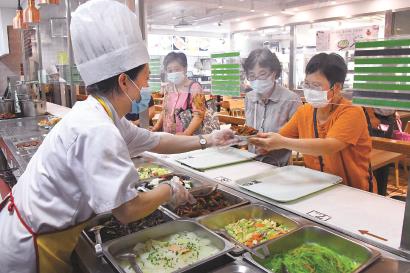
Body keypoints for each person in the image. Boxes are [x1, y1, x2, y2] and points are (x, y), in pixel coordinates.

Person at [0, 1, 236, 273]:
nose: (147, 86)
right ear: (124, 81)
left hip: (37, 230)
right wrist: (169, 189)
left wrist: (209, 140)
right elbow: (127, 211)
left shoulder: (100, 113)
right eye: (145, 78)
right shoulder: (98, 129)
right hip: (33, 247)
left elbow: (155, 140)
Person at [250, 53, 376, 192]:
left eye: (316, 86)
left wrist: (282, 142)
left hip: (352, 190)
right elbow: (279, 137)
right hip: (318, 186)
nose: (310, 90)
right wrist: (250, 140)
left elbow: (329, 146)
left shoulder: (352, 112)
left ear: (337, 87)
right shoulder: (305, 111)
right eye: (307, 84)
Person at [243, 48, 301, 166]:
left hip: (280, 165)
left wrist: (274, 145)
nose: (257, 80)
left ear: (274, 73)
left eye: (262, 74)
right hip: (251, 163)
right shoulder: (249, 97)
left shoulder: (291, 99)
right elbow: (248, 129)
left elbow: (298, 136)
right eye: (252, 76)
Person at [152, 52, 206, 135]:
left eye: (177, 69)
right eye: (170, 70)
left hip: (188, 140)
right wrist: (156, 127)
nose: (173, 72)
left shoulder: (194, 88)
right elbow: (165, 111)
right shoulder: (168, 88)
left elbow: (199, 115)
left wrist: (186, 133)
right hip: (169, 136)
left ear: (185, 68)